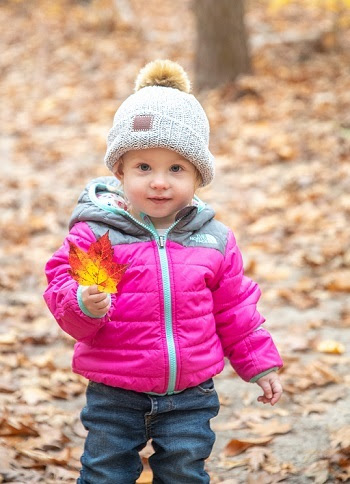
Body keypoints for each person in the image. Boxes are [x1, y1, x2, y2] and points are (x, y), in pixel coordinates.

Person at [44, 59, 283, 484]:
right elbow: (64, 293)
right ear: (119, 172)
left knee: (185, 473)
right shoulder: (98, 234)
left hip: (192, 393)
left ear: (198, 177)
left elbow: (235, 310)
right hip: (115, 390)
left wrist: (258, 364)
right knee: (104, 472)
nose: (159, 182)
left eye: (176, 168)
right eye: (143, 167)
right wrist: (83, 303)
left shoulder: (214, 240)